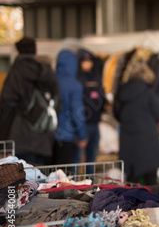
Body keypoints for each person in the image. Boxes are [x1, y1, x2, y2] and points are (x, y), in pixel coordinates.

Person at [0, 37, 59, 165]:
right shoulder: (46, 72)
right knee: (40, 177)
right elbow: (57, 100)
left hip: (20, 134)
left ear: (17, 52)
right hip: (44, 134)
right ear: (35, 51)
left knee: (22, 178)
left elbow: (7, 102)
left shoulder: (16, 73)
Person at [113, 60, 159, 186]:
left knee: (131, 182)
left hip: (128, 140)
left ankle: (130, 205)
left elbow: (117, 114)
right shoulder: (148, 93)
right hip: (147, 141)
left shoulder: (121, 91)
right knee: (151, 182)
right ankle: (153, 204)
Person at [71, 48, 108, 172]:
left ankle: (90, 184)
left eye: (89, 61)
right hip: (82, 124)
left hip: (95, 123)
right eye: (84, 61)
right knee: (76, 158)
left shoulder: (96, 77)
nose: (88, 64)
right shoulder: (76, 78)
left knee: (91, 158)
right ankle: (72, 186)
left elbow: (102, 96)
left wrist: (105, 105)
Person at [53, 49, 87, 165]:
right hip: (66, 134)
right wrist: (82, 135)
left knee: (47, 173)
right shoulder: (75, 85)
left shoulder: (50, 81)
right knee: (62, 174)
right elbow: (77, 112)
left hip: (48, 135)